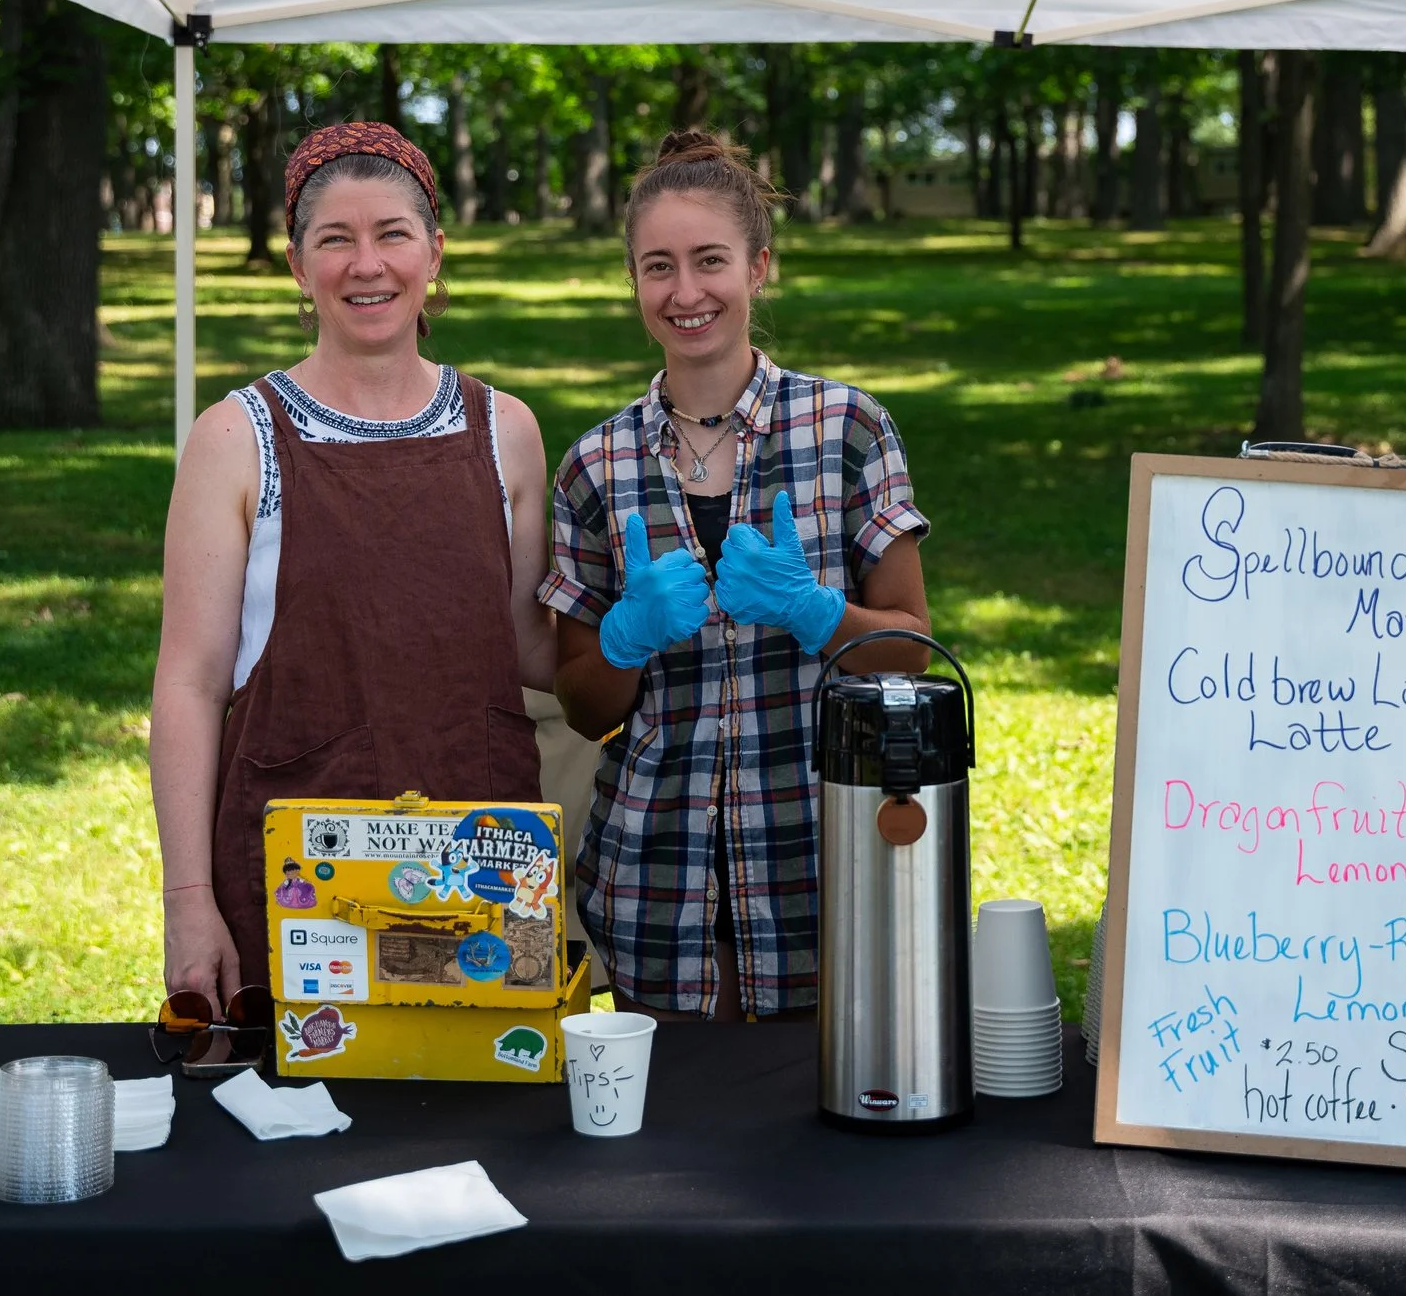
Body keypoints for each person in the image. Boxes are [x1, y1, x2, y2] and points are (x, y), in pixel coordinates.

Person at [149, 121, 557, 1010]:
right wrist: (187, 903)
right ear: (299, 266)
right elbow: (187, 684)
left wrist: (634, 627)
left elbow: (528, 650)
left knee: (487, 1130)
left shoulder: (506, 431)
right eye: (335, 240)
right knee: (297, 1136)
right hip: (298, 884)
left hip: (478, 873)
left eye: (392, 235)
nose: (366, 265)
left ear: (434, 253)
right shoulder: (236, 438)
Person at [543, 131, 932, 1022]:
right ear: (634, 282)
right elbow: (585, 706)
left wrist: (816, 612)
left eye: (710, 260)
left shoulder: (847, 428)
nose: (685, 292)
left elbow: (913, 654)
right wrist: (625, 637)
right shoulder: (596, 464)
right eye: (657, 267)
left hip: (822, 867)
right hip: (653, 884)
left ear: (760, 268)